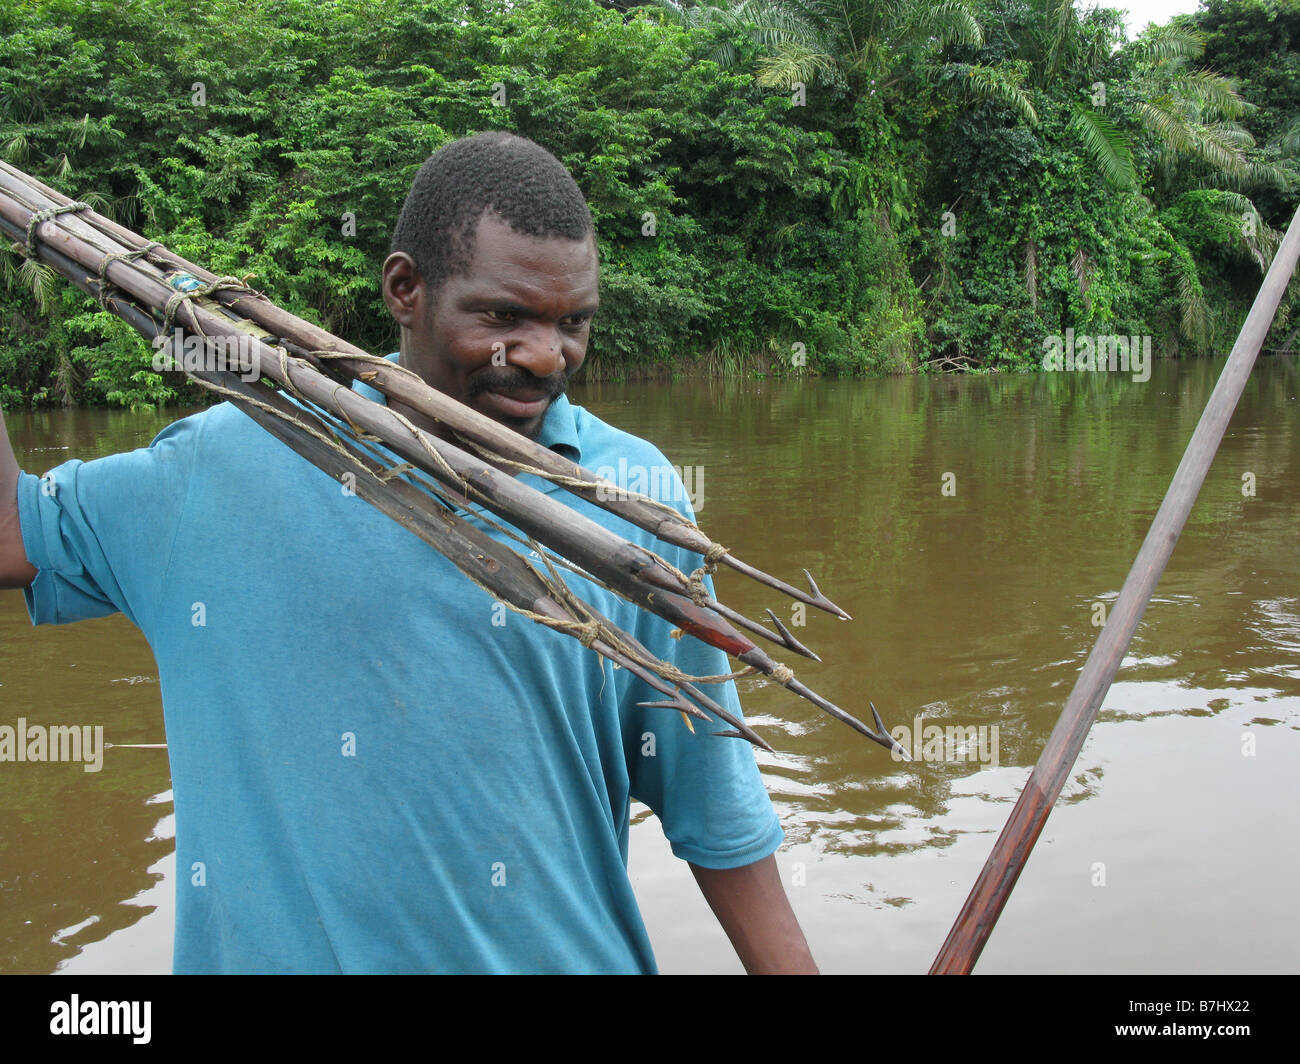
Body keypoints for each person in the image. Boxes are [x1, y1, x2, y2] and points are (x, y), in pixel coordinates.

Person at [0, 132, 817, 974]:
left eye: (572, 324)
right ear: (405, 289)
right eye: (503, 317)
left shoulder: (631, 501)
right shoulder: (218, 465)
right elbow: (11, 536)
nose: (543, 359)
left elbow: (714, 807)